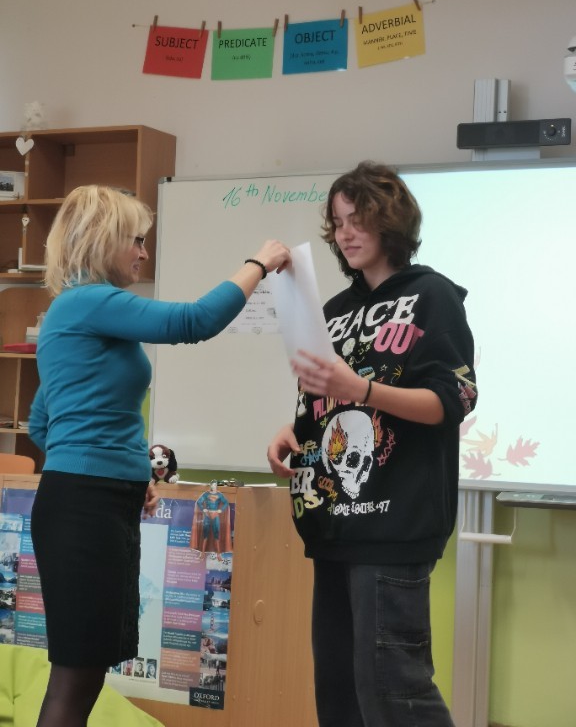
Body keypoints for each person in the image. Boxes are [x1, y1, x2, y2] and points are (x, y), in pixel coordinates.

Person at [28, 184, 291, 727]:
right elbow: (193, 321)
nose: (144, 253)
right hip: (85, 507)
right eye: (137, 240)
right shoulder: (88, 302)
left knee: (87, 671)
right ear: (102, 240)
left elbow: (41, 422)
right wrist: (259, 264)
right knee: (76, 675)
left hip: (95, 501)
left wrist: (127, 472)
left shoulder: (75, 312)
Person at [267, 162, 477, 727]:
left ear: (391, 221)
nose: (346, 233)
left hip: (394, 525)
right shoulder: (333, 311)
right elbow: (323, 403)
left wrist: (359, 388)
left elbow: (451, 400)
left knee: (394, 694)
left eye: (358, 219)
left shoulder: (432, 296)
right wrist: (294, 432)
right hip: (333, 525)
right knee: (339, 697)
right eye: (338, 223)